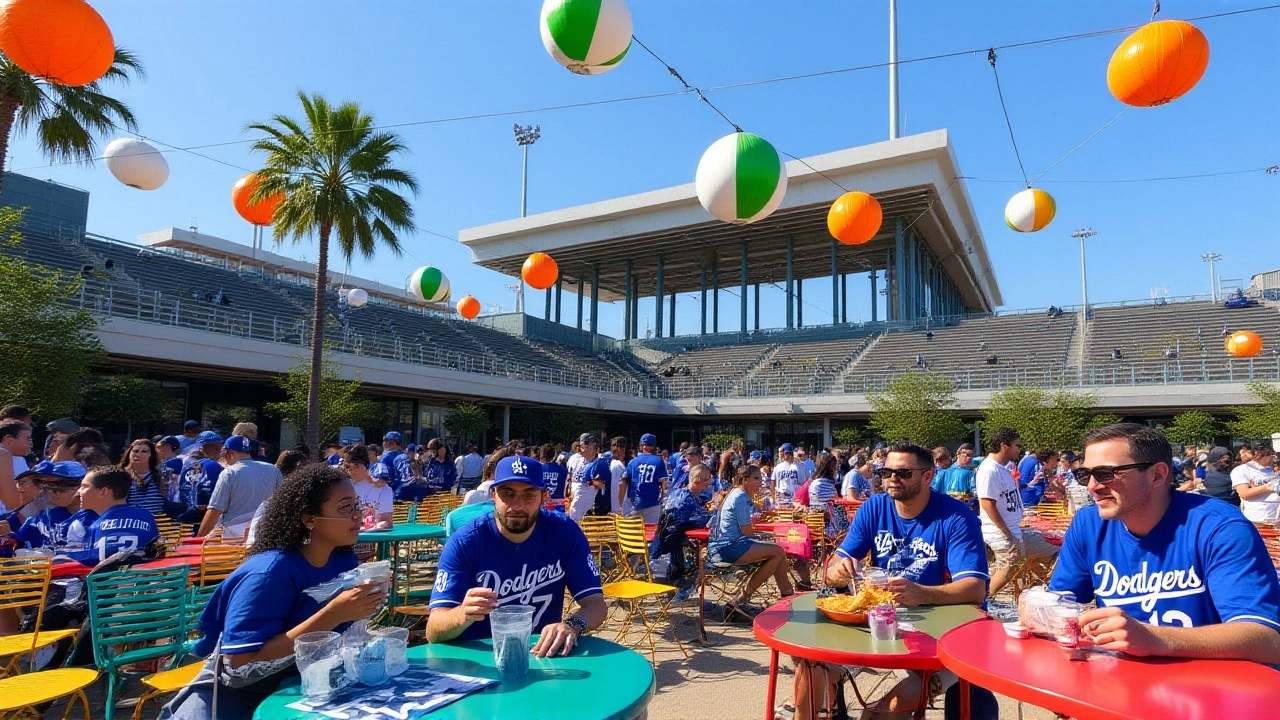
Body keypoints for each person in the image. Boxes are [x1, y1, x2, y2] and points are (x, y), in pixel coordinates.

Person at [162, 464, 384, 719]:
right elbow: (239, 665)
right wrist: (333, 614)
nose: (358, 515)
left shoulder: (343, 563)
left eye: (357, 506)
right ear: (309, 519)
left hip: (303, 695)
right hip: (236, 704)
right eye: (346, 508)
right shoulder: (268, 574)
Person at [1050, 424, 1280, 663]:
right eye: (1085, 475)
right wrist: (1037, 609)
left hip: (1212, 688)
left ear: (1157, 475)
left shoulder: (1220, 527)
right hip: (1120, 689)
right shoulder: (1088, 524)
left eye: (1106, 474)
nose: (1091, 486)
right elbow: (1060, 602)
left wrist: (1155, 639)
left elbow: (1266, 639)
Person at [813, 443, 991, 720]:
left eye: (904, 472)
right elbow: (835, 566)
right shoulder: (874, 507)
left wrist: (920, 593)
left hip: (946, 639)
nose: (893, 478)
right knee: (810, 663)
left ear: (928, 476)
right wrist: (839, 571)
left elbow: (975, 589)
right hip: (884, 625)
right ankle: (826, 711)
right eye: (886, 472)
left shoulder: (956, 517)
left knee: (875, 716)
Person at [425, 455, 607, 656]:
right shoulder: (466, 541)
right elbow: (433, 630)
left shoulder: (564, 532)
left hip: (541, 656)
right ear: (493, 495)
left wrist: (572, 626)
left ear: (544, 497)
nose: (517, 505)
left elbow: (595, 603)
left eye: (529, 494)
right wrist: (461, 614)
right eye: (508, 493)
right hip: (477, 660)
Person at [708, 464, 802, 622]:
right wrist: (764, 540)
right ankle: (743, 599)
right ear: (745, 480)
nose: (760, 482)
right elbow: (747, 532)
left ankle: (787, 597)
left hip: (724, 546)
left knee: (776, 554)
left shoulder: (736, 494)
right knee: (778, 552)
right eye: (756, 478)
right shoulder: (740, 497)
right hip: (728, 548)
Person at [976, 428, 1057, 598]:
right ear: (1004, 446)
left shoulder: (1002, 468)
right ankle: (980, 600)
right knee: (1010, 567)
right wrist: (1006, 532)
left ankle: (1023, 602)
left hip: (1012, 529)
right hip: (1000, 532)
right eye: (1017, 446)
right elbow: (986, 503)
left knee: (1022, 565)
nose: (1019, 449)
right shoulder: (990, 469)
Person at [67, 466, 160, 566]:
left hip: (101, 580)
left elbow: (82, 564)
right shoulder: (146, 516)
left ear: (103, 492)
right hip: (140, 579)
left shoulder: (91, 526)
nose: (78, 491)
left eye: (84, 486)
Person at [198, 436, 284, 538]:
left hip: (235, 536)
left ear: (230, 453)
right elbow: (282, 503)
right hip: (265, 532)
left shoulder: (229, 473)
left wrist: (200, 538)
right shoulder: (273, 470)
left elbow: (215, 510)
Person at [650, 463, 716, 597]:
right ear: (697, 480)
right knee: (700, 554)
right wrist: (715, 514)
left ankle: (680, 594)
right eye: (707, 479)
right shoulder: (685, 498)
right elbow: (695, 521)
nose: (710, 483)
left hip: (662, 551)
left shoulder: (680, 494)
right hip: (668, 555)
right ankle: (682, 595)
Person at [9, 461, 88, 549]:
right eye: (46, 487)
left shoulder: (96, 518)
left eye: (59, 487)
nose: (52, 493)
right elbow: (14, 545)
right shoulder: (41, 519)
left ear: (81, 487)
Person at [175, 432, 224, 526]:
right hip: (205, 516)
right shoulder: (214, 466)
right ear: (217, 447)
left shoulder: (190, 466)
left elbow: (182, 489)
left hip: (187, 514)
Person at [342, 444, 393, 530]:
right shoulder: (342, 488)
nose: (350, 470)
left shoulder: (382, 489)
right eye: (347, 466)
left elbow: (386, 521)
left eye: (355, 465)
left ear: (366, 465)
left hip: (370, 537)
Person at [623, 433, 669, 524]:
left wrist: (622, 503)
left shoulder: (633, 461)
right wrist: (664, 499)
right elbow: (665, 484)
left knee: (635, 533)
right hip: (652, 504)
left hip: (634, 503)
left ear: (641, 446)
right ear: (654, 446)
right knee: (651, 533)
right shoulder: (659, 461)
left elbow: (623, 482)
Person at [1231, 442, 1278, 524]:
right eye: (1270, 455)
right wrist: (1267, 487)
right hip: (1258, 518)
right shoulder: (1242, 470)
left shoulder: (1275, 469)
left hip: (1277, 517)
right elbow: (1244, 493)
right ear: (1258, 454)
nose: (1273, 458)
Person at [119, 438, 167, 517]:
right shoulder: (120, 475)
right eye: (135, 451)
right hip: (129, 520)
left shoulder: (162, 475)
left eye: (144, 451)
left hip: (156, 522)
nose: (138, 454)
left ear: (151, 455)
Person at [567, 434, 609, 522]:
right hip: (574, 498)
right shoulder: (579, 460)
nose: (581, 447)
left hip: (585, 502)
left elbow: (601, 485)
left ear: (593, 448)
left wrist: (590, 482)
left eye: (586, 444)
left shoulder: (600, 462)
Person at [608, 437, 630, 515]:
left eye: (616, 446)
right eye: (612, 446)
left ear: (623, 449)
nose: (613, 449)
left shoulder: (631, 464)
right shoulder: (609, 463)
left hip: (628, 508)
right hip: (612, 508)